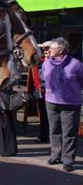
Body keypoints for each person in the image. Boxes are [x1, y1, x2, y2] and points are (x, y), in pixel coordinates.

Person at [42, 37, 83, 172]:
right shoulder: (46, 63)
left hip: (70, 103)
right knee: (54, 130)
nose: (49, 50)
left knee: (69, 133)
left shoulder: (75, 64)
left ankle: (68, 160)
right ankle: (55, 155)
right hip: (51, 101)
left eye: (51, 48)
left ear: (61, 50)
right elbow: (43, 78)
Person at [32, 41, 52, 143]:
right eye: (43, 48)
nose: (45, 50)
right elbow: (35, 74)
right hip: (42, 91)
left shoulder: (56, 61)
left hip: (53, 92)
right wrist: (37, 86)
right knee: (43, 115)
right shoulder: (40, 61)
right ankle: (43, 135)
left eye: (47, 48)